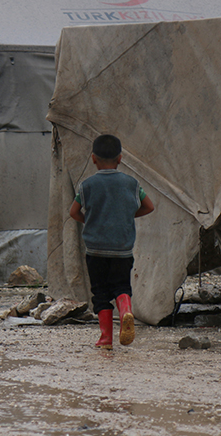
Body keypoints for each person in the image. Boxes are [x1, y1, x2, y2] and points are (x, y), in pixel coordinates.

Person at [69, 134, 154, 350]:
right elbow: (149, 206)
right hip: (122, 250)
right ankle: (126, 311)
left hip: (95, 250)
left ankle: (106, 339)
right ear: (120, 158)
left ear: (93, 159)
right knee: (121, 286)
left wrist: (90, 220)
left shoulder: (87, 185)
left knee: (100, 292)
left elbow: (73, 212)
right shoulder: (131, 184)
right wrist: (125, 216)